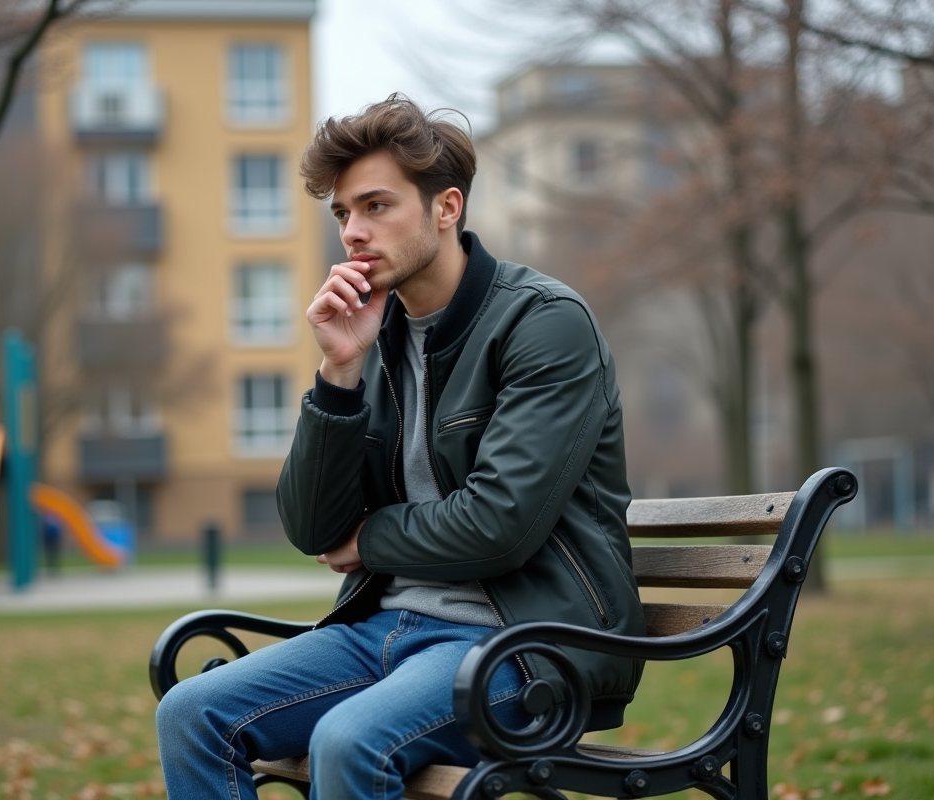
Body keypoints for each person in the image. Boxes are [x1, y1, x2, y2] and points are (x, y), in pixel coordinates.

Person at [156, 94, 645, 800]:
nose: (353, 231)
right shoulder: (372, 336)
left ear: (446, 208)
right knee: (192, 714)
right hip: (382, 632)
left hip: (523, 648)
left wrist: (372, 539)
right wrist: (338, 374)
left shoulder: (544, 325)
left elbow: (499, 525)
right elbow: (313, 530)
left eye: (377, 206)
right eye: (343, 213)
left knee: (351, 741)